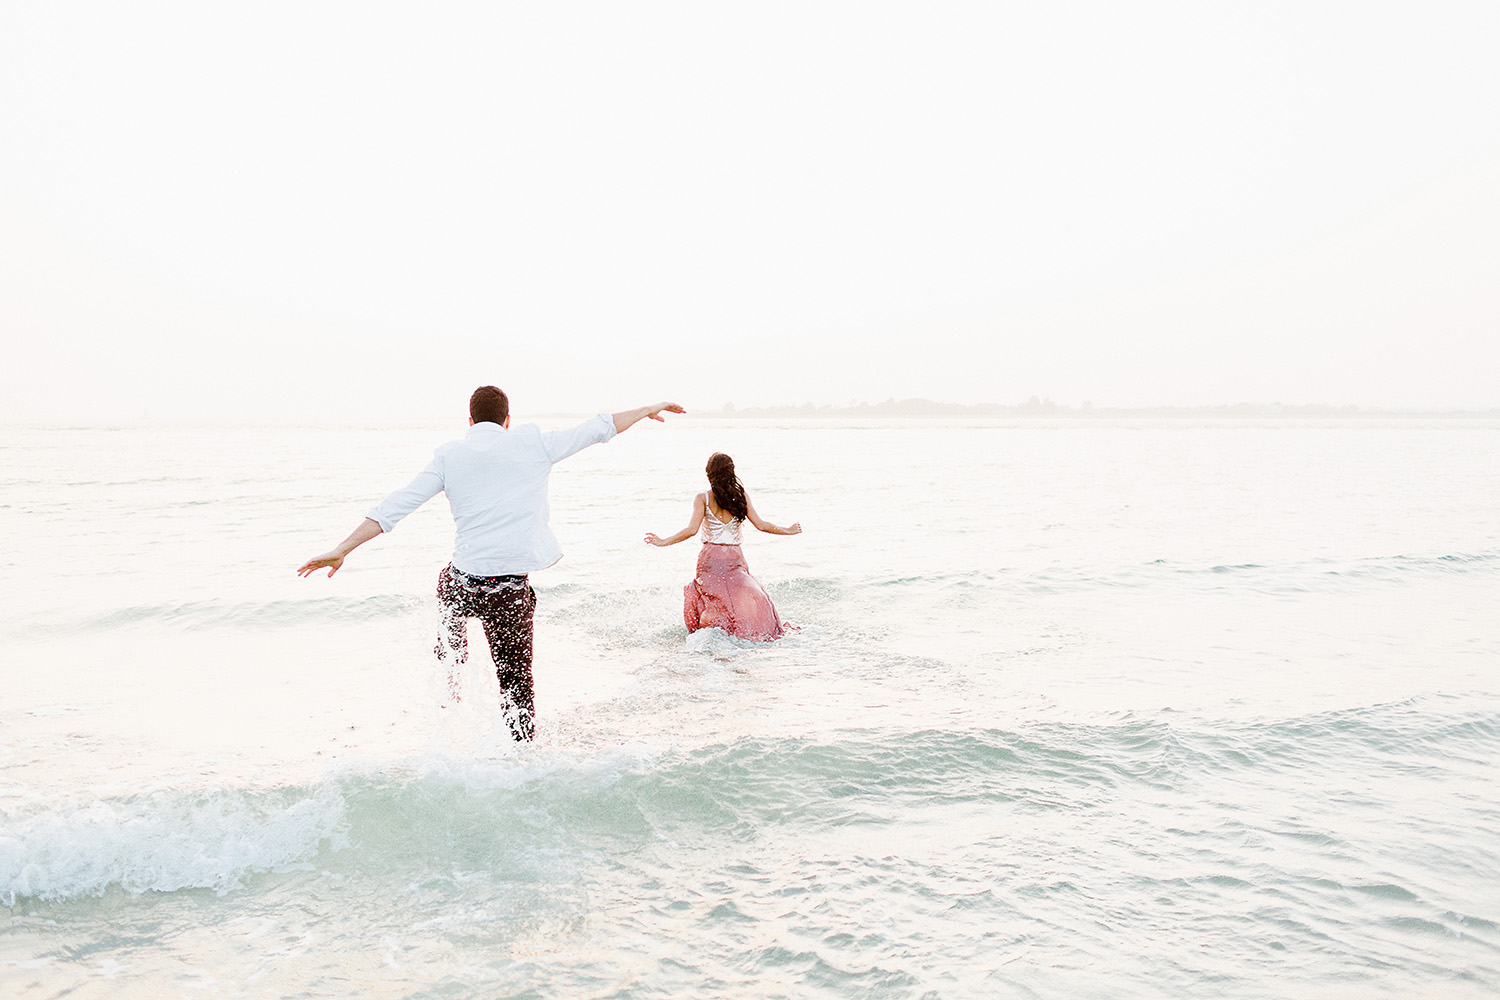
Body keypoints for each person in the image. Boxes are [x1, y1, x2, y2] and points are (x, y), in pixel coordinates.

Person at [298, 386, 684, 740]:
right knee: (517, 687)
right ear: (507, 420)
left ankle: (453, 665)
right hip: (508, 594)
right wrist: (649, 407)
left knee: (447, 581)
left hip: (462, 585)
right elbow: (597, 428)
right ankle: (522, 757)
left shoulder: (449, 456)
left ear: (469, 422)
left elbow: (396, 506)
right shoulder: (533, 443)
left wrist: (343, 548)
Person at [644, 452, 801, 641]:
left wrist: (663, 541)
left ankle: (711, 634)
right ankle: (738, 636)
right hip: (735, 558)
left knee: (713, 597)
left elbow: (691, 530)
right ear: (732, 472)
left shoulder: (703, 498)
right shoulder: (741, 496)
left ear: (709, 474)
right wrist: (788, 530)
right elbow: (761, 525)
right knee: (738, 597)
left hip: (710, 559)